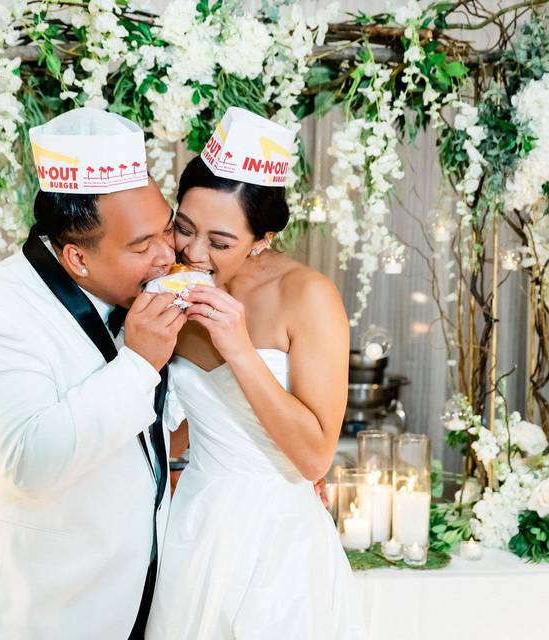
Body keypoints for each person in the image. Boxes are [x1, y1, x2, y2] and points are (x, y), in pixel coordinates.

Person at [0, 107, 182, 639]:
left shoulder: (136, 293)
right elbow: (29, 462)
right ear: (77, 258)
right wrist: (139, 363)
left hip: (126, 603)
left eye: (167, 229)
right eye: (142, 246)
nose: (168, 255)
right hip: (34, 613)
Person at [146, 107, 366, 639]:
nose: (194, 253)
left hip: (278, 541)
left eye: (220, 243)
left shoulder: (307, 296)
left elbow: (314, 455)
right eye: (184, 228)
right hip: (193, 524)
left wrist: (240, 350)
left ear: (262, 238)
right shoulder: (162, 284)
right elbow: (165, 429)